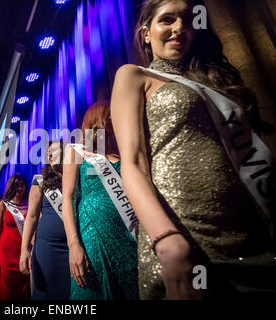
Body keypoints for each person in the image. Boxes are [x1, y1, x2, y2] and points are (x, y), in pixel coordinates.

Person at [110, 0, 275, 300]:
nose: (179, 28)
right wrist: (167, 239)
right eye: (167, 20)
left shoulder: (212, 83)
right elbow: (132, 163)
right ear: (146, 33)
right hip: (184, 231)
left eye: (187, 20)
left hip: (248, 233)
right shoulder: (133, 75)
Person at [62, 101, 139, 300]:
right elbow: (68, 200)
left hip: (128, 234)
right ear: (100, 119)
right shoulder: (76, 151)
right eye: (112, 116)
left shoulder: (124, 154)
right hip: (93, 237)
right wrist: (73, 245)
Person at [19, 140, 71, 300]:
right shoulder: (40, 180)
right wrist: (24, 251)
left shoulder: (75, 177)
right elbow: (32, 217)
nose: (49, 154)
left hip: (73, 246)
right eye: (48, 152)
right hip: (48, 247)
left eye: (54, 150)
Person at [0, 174, 30, 300]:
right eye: (16, 185)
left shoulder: (30, 205)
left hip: (23, 253)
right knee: (5, 288)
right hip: (6, 255)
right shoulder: (2, 205)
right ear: (11, 186)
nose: (19, 188)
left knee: (23, 287)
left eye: (22, 185)